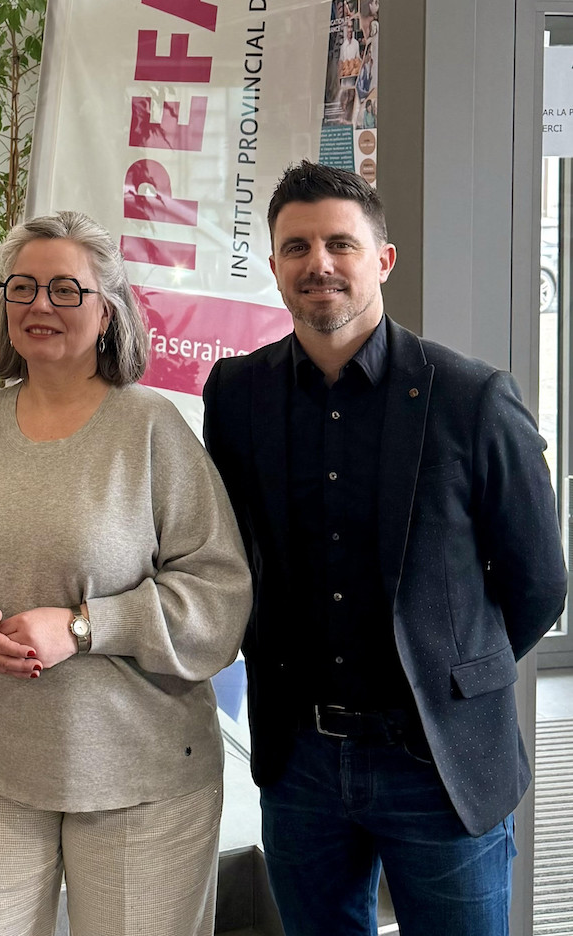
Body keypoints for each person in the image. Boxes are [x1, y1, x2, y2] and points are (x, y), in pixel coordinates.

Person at [203, 160, 567, 935]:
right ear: (274, 267)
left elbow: (539, 582)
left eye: (340, 243)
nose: (319, 264)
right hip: (300, 759)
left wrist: (455, 672)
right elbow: (228, 553)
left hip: (438, 761)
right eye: (296, 247)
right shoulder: (237, 397)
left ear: (382, 260)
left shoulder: (470, 397)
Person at [0, 210, 252, 936]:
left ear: (108, 313)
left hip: (140, 778)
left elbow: (218, 596)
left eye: (65, 290)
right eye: (22, 288)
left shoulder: (152, 430)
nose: (39, 306)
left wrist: (87, 627)